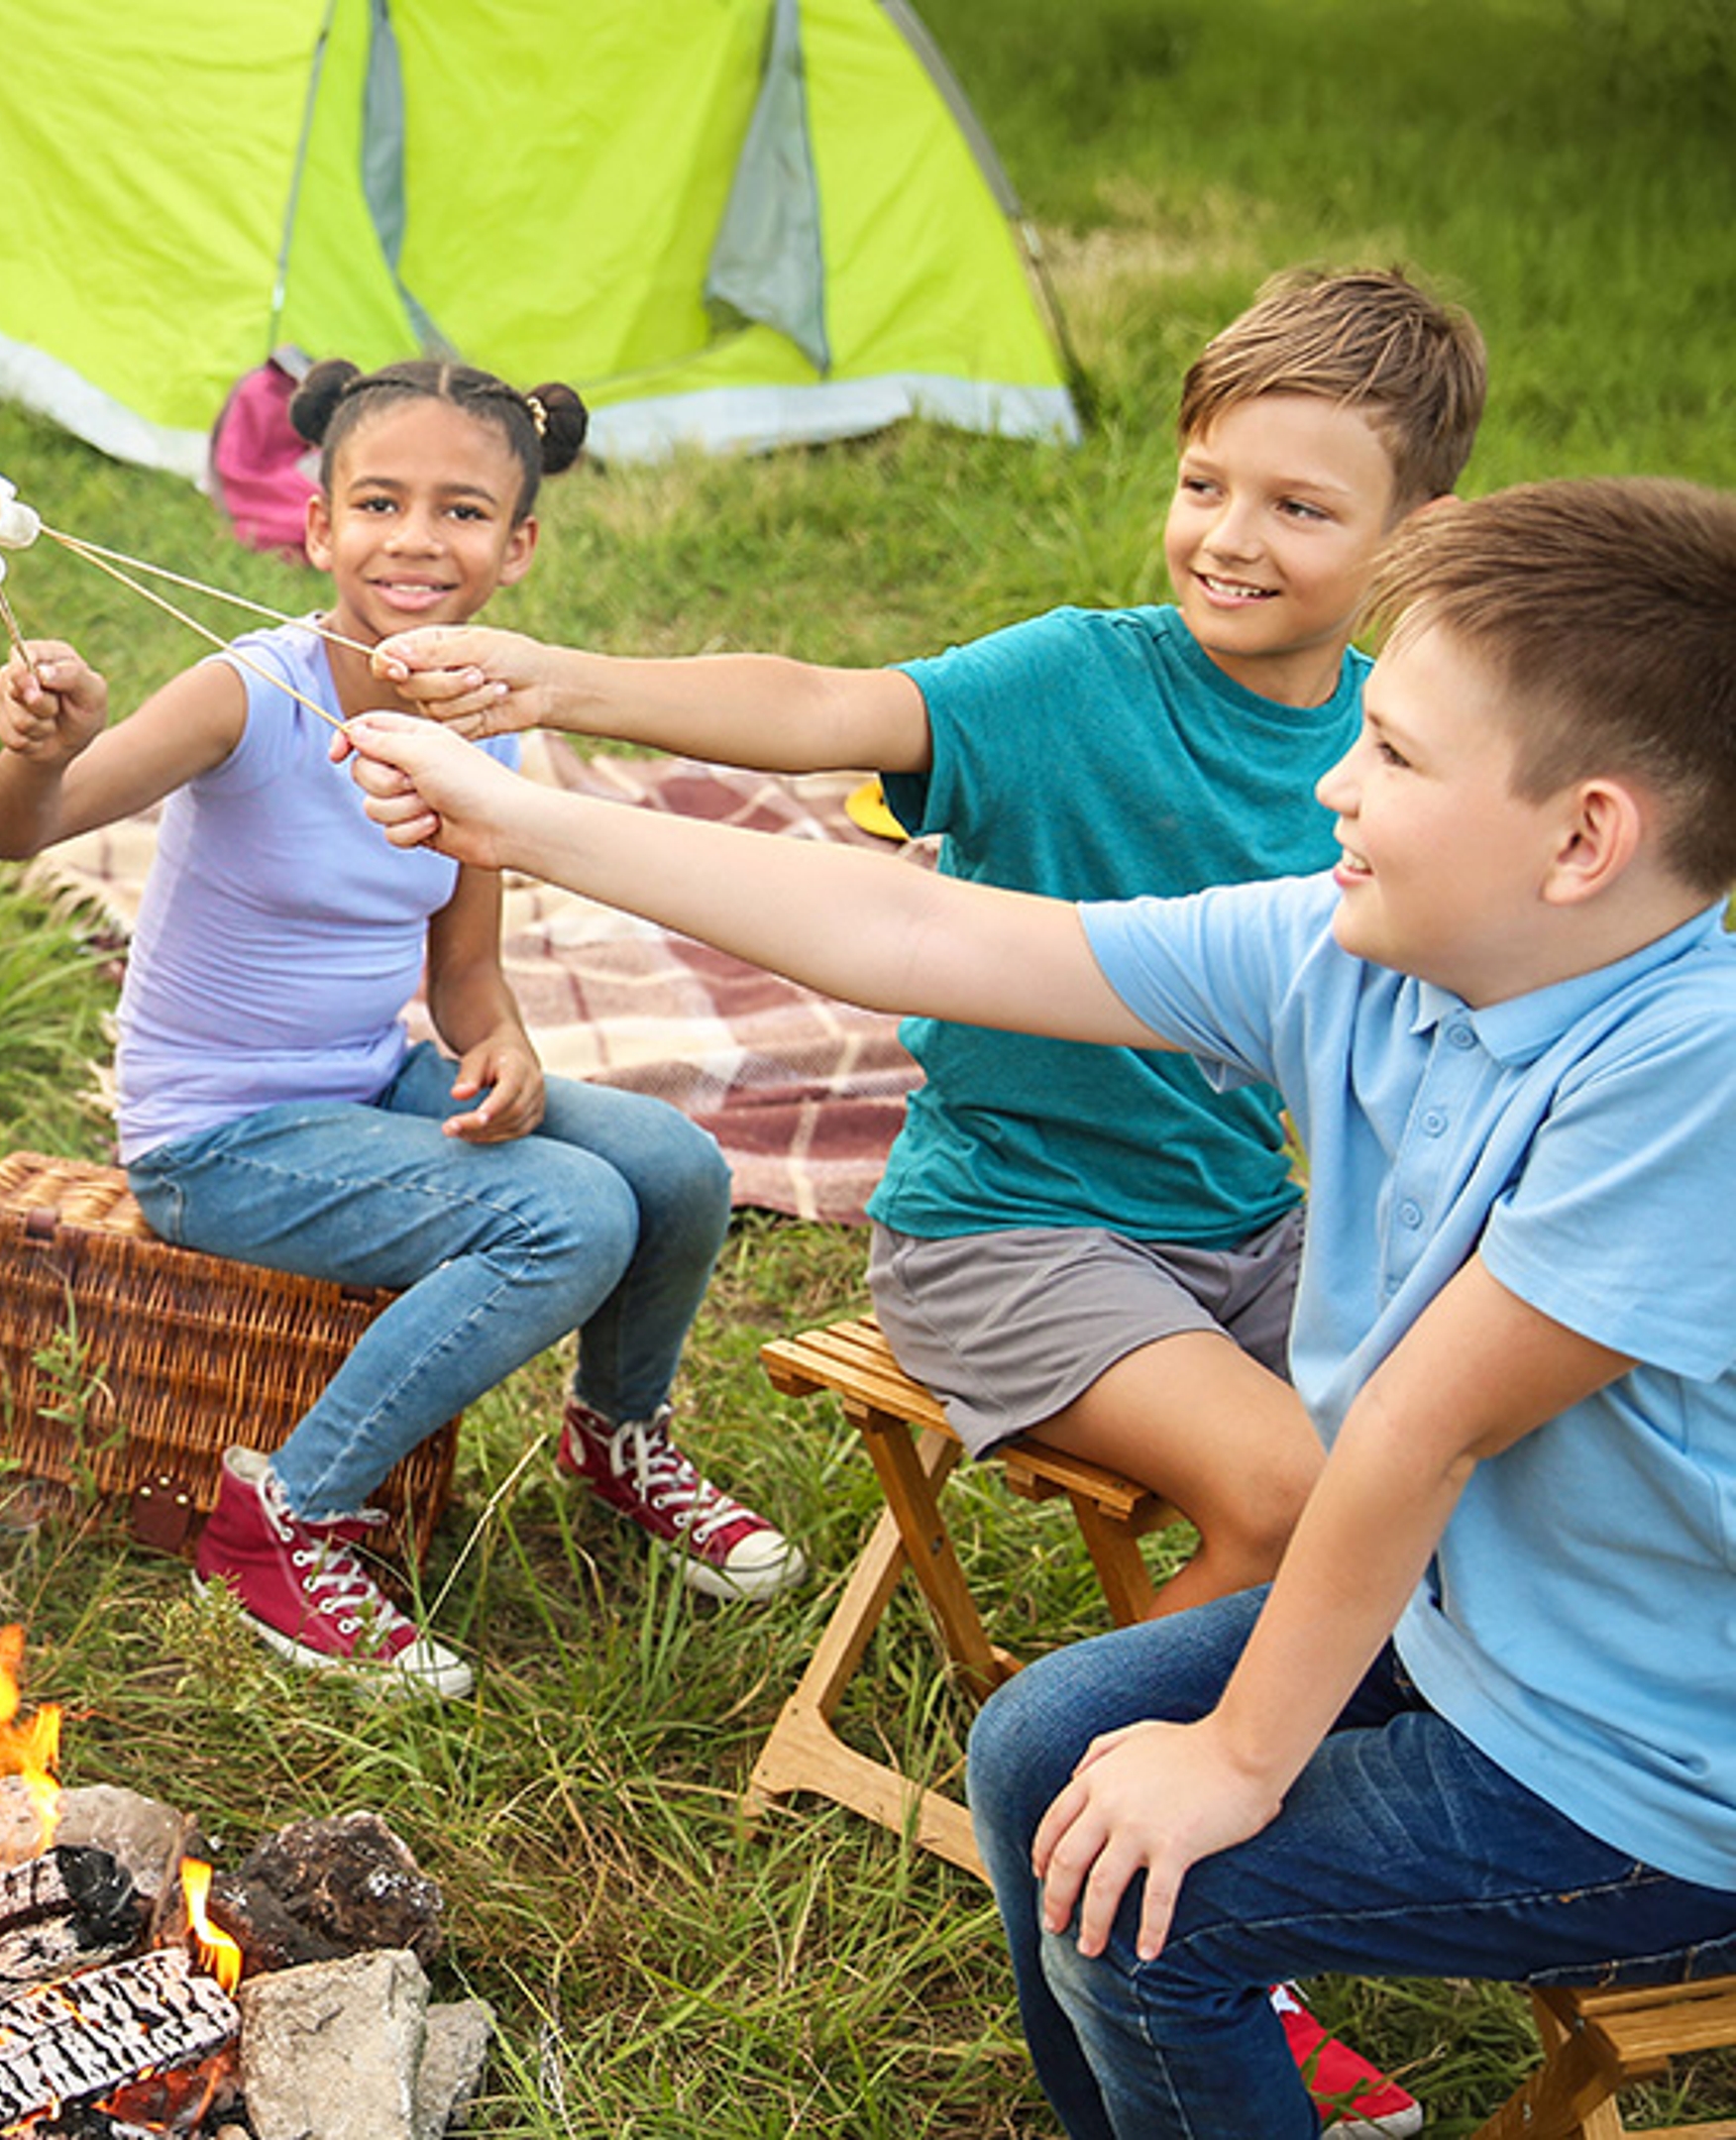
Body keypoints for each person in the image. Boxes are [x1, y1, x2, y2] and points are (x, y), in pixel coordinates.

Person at [340, 476, 1736, 2140]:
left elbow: (1426, 1427)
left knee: (1161, 1925)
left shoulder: (1692, 1075)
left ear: (1584, 839)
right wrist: (513, 819)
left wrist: (1231, 1760)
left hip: (1651, 1780)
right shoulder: (1362, 948)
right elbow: (924, 926)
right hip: (1473, 1633)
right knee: (1037, 1746)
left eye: (1399, 757)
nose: (1335, 781)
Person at [380, 269, 1485, 1622]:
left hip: (1251, 1231)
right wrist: (558, 682)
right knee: (1285, 1495)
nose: (1228, 540)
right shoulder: (1080, 679)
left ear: (1417, 534)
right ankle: (1125, 1785)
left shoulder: (1393, 740)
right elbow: (826, 705)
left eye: (1299, 508)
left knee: (1470, 1455)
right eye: (1205, 486)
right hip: (1010, 1236)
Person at [0, 358, 798, 1701]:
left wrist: (508, 1047)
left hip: (368, 1080)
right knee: (569, 1216)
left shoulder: (481, 721)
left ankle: (614, 1435)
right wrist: (40, 749)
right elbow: (20, 830)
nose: (418, 541)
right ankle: (281, 1519)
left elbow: (464, 969)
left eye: (464, 512)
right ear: (317, 526)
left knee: (674, 1165)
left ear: (518, 546)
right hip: (219, 1141)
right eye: (380, 504)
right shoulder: (248, 693)